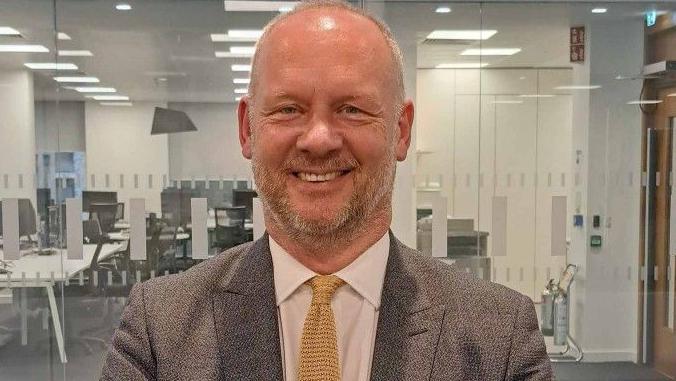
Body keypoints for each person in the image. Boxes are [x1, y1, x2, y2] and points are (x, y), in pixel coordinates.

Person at [100, 1, 553, 380]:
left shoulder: (500, 336)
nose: (318, 138)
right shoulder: (159, 330)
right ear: (247, 129)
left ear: (400, 130)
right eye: (288, 108)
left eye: (352, 109)